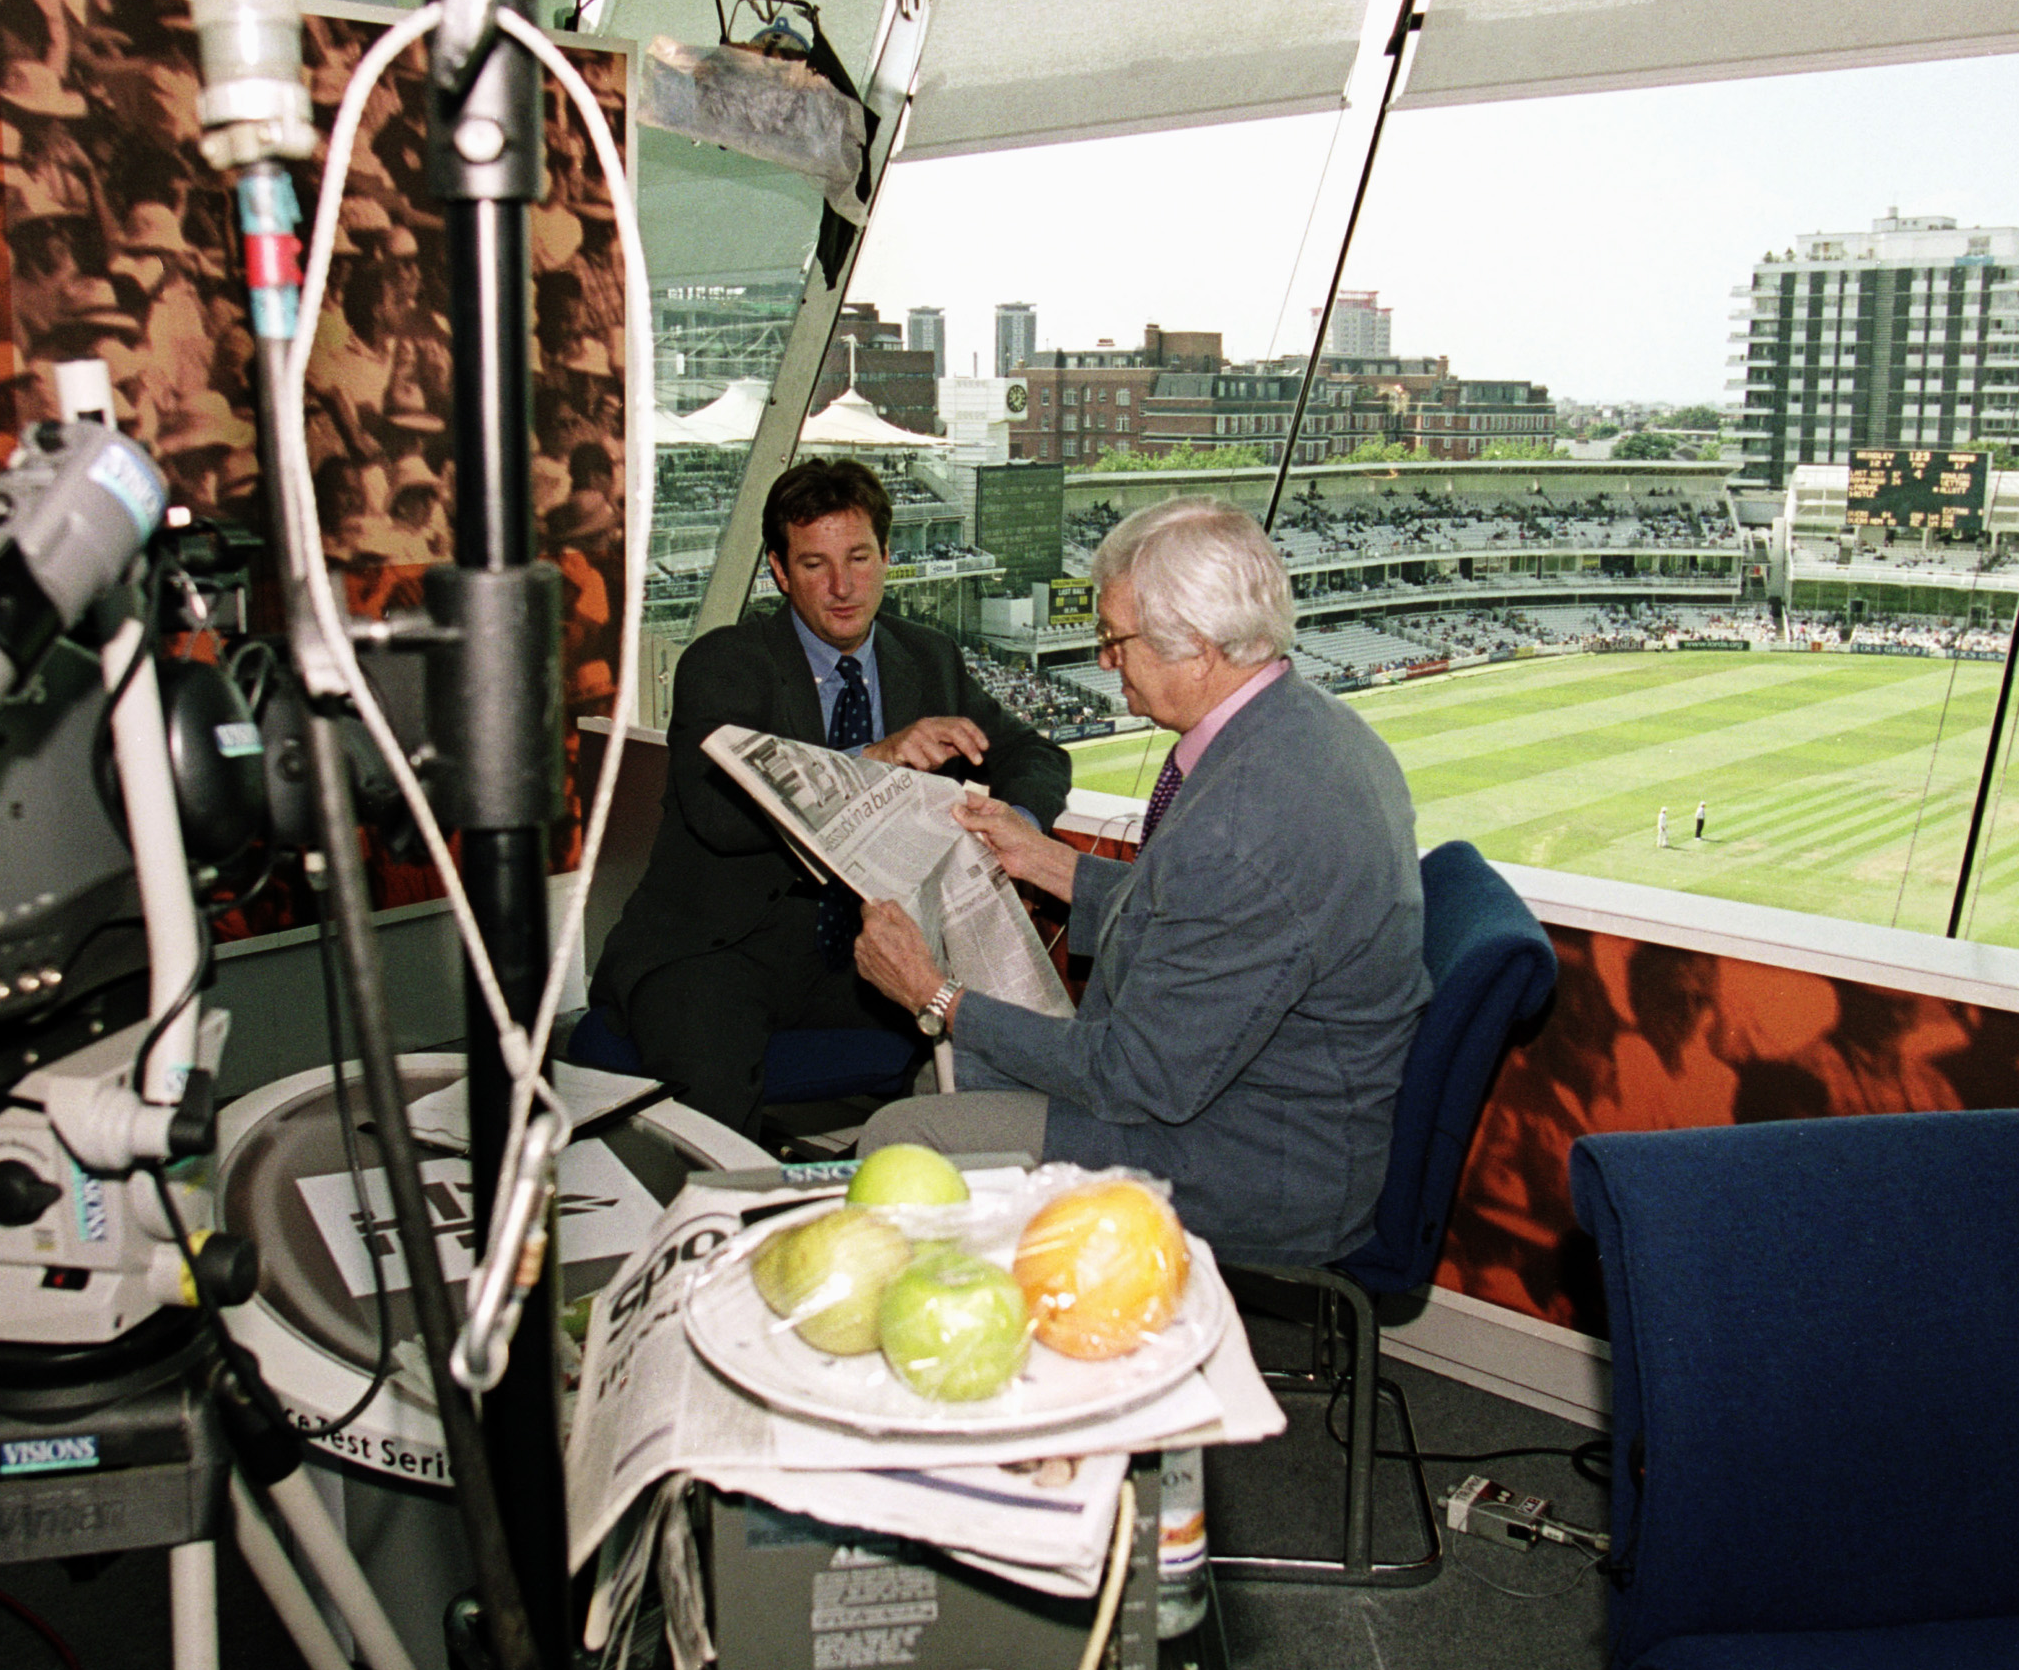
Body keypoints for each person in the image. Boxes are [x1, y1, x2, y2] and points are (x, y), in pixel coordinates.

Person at [853, 499, 1426, 1264]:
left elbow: (1135, 1078)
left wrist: (934, 995)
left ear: (1193, 646)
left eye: (1113, 639)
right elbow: (1199, 913)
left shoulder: (1245, 821)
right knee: (952, 1078)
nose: (1102, 661)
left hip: (1260, 1163)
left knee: (903, 1136)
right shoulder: (1303, 726)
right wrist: (1047, 861)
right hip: (1258, 1104)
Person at [590, 459, 1069, 1140]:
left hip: (857, 958)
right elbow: (718, 817)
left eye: (859, 558)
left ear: (885, 556)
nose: (843, 588)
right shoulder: (723, 663)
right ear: (781, 573)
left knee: (1001, 1044)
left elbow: (1035, 754)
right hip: (719, 947)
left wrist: (1012, 837)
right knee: (714, 1108)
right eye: (814, 564)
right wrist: (873, 760)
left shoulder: (927, 657)